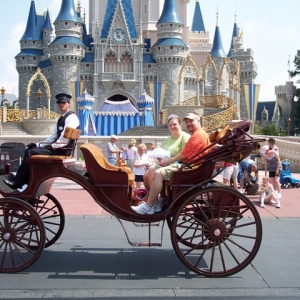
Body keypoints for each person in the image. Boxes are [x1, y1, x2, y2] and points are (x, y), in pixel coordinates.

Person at [132, 112, 210, 214]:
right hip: (190, 165)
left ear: (198, 121)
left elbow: (184, 154)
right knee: (150, 171)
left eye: (191, 121)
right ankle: (155, 202)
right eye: (187, 122)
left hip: (191, 168)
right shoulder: (197, 134)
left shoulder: (197, 135)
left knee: (157, 173)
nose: (189, 124)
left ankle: (150, 204)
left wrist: (170, 160)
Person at [4, 92, 80, 190]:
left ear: (69, 103)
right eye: (59, 103)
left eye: (64, 103)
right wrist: (37, 144)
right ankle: (25, 181)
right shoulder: (62, 118)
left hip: (62, 149)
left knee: (29, 152)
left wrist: (50, 146)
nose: (61, 105)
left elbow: (63, 139)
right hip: (59, 147)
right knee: (31, 149)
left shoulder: (72, 118)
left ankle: (19, 182)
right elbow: (52, 137)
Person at [143, 114, 190, 199]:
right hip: (166, 163)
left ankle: (155, 200)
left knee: (152, 169)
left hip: (178, 163)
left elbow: (184, 155)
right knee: (145, 176)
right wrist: (159, 157)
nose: (172, 126)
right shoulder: (167, 140)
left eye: (175, 124)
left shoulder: (185, 137)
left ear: (180, 125)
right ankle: (158, 197)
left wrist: (169, 160)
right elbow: (163, 153)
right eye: (170, 125)